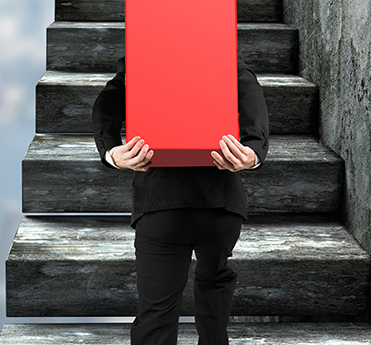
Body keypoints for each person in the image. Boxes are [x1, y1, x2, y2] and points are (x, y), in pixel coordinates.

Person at [91, 55, 269, 345]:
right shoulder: (224, 59)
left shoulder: (142, 61)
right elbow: (249, 91)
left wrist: (111, 151)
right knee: (215, 286)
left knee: (156, 316)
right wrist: (253, 151)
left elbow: (107, 102)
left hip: (161, 201)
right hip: (220, 202)